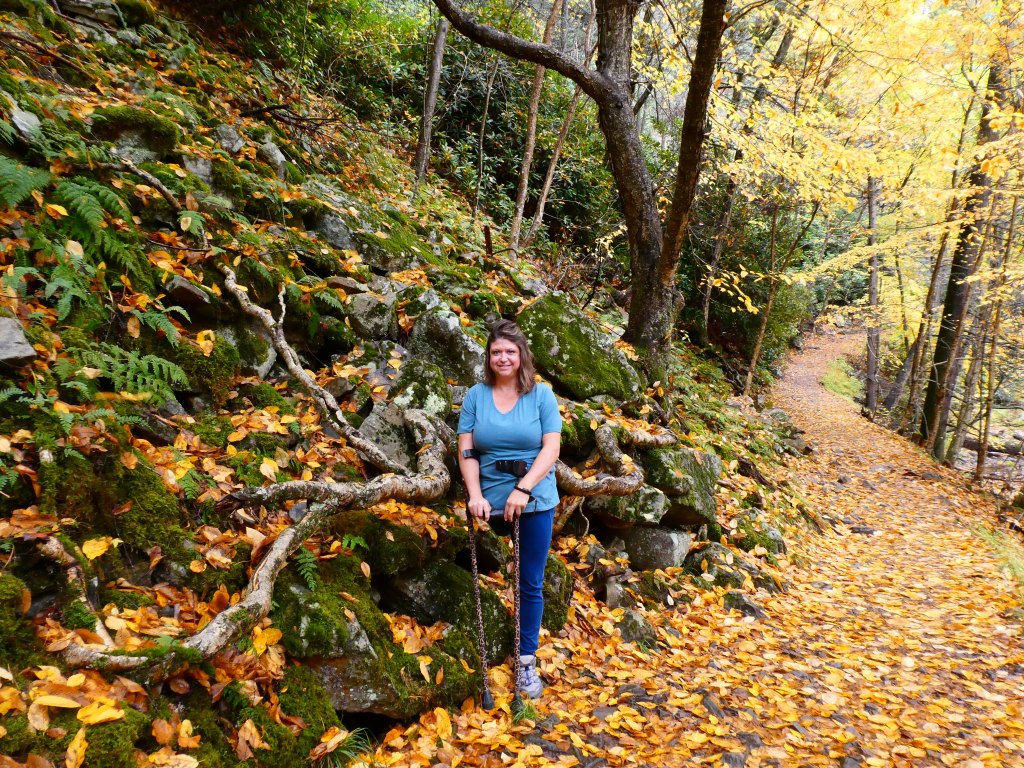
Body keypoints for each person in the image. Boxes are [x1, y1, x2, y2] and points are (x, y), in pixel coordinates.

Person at [457, 319, 561, 699]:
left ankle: (526, 661)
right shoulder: (475, 396)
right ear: (488, 357)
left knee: (529, 580)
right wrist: (475, 494)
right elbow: (467, 450)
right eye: (496, 352)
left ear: (522, 356)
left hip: (533, 500)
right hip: (488, 503)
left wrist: (524, 488)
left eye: (510, 352)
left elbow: (551, 448)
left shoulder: (541, 396)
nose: (503, 358)